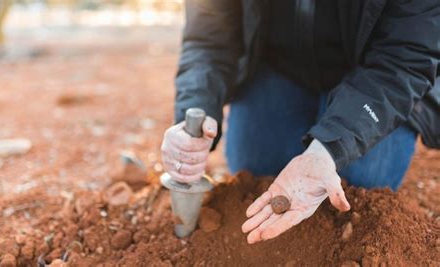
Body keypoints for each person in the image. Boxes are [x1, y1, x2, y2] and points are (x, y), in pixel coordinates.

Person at [161, 0, 440, 244]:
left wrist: (329, 150)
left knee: (358, 184)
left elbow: (405, 58)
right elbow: (209, 33)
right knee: (258, 171)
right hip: (279, 66)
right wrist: (197, 107)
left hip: (374, 75)